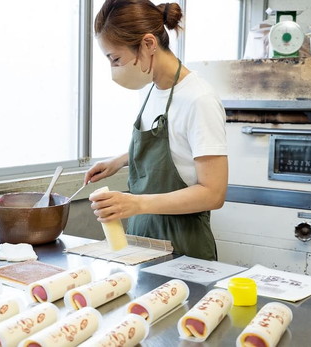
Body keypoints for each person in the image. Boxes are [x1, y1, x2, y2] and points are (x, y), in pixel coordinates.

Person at [84, 0, 228, 260]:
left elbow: (213, 193)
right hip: (142, 235)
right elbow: (175, 145)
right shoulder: (151, 91)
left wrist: (137, 203)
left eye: (115, 59)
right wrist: (119, 161)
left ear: (148, 44)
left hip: (183, 243)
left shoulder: (199, 99)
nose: (114, 69)